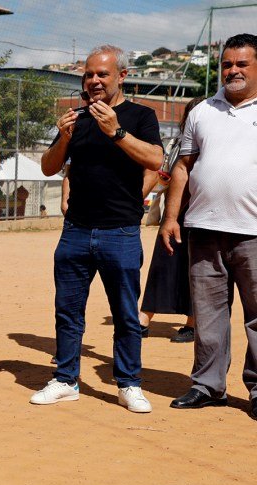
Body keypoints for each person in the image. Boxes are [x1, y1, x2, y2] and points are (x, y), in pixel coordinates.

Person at [33, 45, 163, 413]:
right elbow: (47, 167)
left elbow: (156, 159)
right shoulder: (76, 118)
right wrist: (64, 137)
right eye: (89, 75)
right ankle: (65, 379)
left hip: (119, 232)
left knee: (124, 313)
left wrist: (117, 131)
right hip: (75, 230)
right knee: (68, 310)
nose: (94, 81)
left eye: (102, 74)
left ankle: (128, 383)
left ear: (121, 76)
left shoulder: (140, 115)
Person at [161, 34, 257, 419]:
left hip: (253, 231)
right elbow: (182, 166)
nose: (232, 70)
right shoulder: (202, 111)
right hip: (203, 228)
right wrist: (170, 217)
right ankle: (208, 385)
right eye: (227, 64)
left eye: (242, 64)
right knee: (209, 313)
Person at [139, 97, 205, 343]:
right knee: (162, 261)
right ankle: (144, 318)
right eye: (191, 114)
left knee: (197, 269)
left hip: (201, 213)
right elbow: (167, 174)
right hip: (175, 212)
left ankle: (192, 323)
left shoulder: (212, 141)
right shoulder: (177, 142)